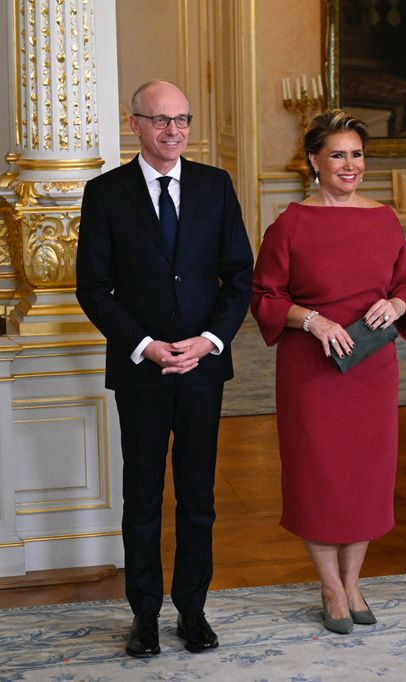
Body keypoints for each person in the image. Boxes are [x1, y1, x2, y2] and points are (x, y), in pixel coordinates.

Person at [76, 80, 253, 657]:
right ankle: (145, 616)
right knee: (144, 498)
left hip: (202, 369)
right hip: (141, 371)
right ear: (135, 125)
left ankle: (193, 612)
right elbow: (94, 289)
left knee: (198, 498)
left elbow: (239, 279)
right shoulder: (105, 193)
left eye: (181, 119)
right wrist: (146, 345)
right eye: (160, 120)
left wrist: (208, 341)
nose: (173, 131)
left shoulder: (214, 185)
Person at [250, 112, 406, 634]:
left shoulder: (385, 218)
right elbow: (264, 296)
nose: (351, 165)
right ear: (314, 161)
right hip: (312, 374)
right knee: (319, 477)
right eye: (338, 155)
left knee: (366, 476)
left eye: (357, 155)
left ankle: (353, 582)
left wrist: (395, 304)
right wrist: (312, 320)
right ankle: (329, 586)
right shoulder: (290, 224)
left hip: (372, 371)